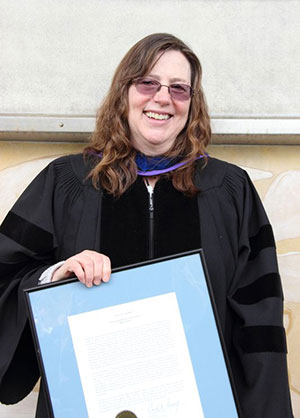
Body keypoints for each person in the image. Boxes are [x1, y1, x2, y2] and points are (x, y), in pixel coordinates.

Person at [0, 33, 293, 417]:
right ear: (125, 92)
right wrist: (57, 274)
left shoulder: (229, 191)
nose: (162, 98)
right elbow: (7, 274)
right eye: (148, 82)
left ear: (193, 103)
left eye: (179, 88)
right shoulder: (66, 183)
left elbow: (260, 321)